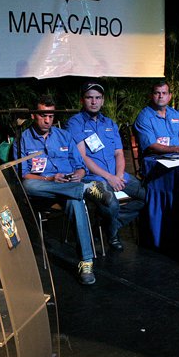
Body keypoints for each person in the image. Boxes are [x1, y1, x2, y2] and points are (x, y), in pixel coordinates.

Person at [13, 94, 113, 285]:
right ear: (34, 115)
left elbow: (81, 166)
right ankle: (84, 190)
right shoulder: (23, 139)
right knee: (28, 185)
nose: (47, 120)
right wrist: (50, 178)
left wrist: (79, 175)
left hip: (68, 186)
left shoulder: (64, 136)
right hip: (44, 189)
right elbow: (23, 174)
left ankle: (86, 262)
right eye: (43, 115)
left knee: (75, 202)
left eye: (50, 116)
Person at [66, 82, 146, 252]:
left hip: (117, 174)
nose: (94, 101)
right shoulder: (75, 123)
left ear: (102, 101)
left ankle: (107, 225)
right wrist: (110, 178)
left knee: (147, 197)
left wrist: (118, 175)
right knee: (111, 203)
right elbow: (83, 157)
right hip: (93, 178)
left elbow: (119, 153)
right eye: (89, 97)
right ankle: (112, 235)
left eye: (97, 98)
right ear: (82, 100)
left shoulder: (110, 123)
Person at [133, 81, 179, 173]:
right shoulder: (144, 117)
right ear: (151, 95)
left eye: (164, 93)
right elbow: (151, 146)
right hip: (156, 163)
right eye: (157, 93)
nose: (161, 96)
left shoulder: (175, 114)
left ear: (170, 96)